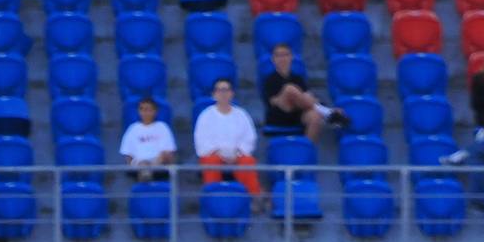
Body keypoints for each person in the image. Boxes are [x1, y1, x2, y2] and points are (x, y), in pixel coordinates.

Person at [192, 77, 262, 206]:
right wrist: (217, 153)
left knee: (248, 161)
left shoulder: (241, 115)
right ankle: (213, 200)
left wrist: (239, 153)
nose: (223, 93)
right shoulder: (205, 115)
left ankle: (253, 200)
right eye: (219, 90)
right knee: (210, 161)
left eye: (226, 90)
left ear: (232, 93)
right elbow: (201, 139)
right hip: (215, 155)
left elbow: (249, 137)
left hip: (237, 155)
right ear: (214, 94)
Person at [260, 40, 337, 143]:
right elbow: (273, 101)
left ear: (291, 57)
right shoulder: (269, 79)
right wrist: (293, 97)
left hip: (299, 114)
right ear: (273, 59)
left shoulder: (298, 78)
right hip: (280, 114)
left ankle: (305, 151)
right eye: (278, 55)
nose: (282, 58)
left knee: (315, 116)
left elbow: (308, 97)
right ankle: (326, 112)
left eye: (285, 55)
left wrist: (301, 99)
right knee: (289, 89)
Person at [119, 95, 177, 181]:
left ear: (155, 111)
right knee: (142, 163)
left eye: (148, 109)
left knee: (159, 158)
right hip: (139, 164)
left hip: (158, 164)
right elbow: (128, 154)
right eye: (142, 109)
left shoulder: (162, 127)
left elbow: (169, 152)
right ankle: (146, 175)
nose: (145, 112)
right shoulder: (133, 129)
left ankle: (147, 175)